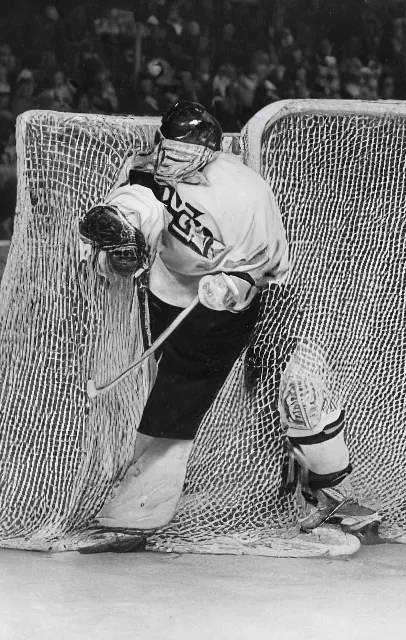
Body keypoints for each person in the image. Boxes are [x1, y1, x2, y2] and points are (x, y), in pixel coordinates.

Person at [72, 101, 370, 552]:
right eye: (164, 147)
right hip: (176, 293)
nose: (167, 159)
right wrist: (120, 248)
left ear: (207, 152)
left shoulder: (246, 192)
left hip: (260, 296)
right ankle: (137, 509)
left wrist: (235, 286)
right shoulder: (141, 172)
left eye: (180, 150)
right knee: (177, 395)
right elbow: (127, 231)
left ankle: (329, 490)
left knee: (300, 385)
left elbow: (266, 266)